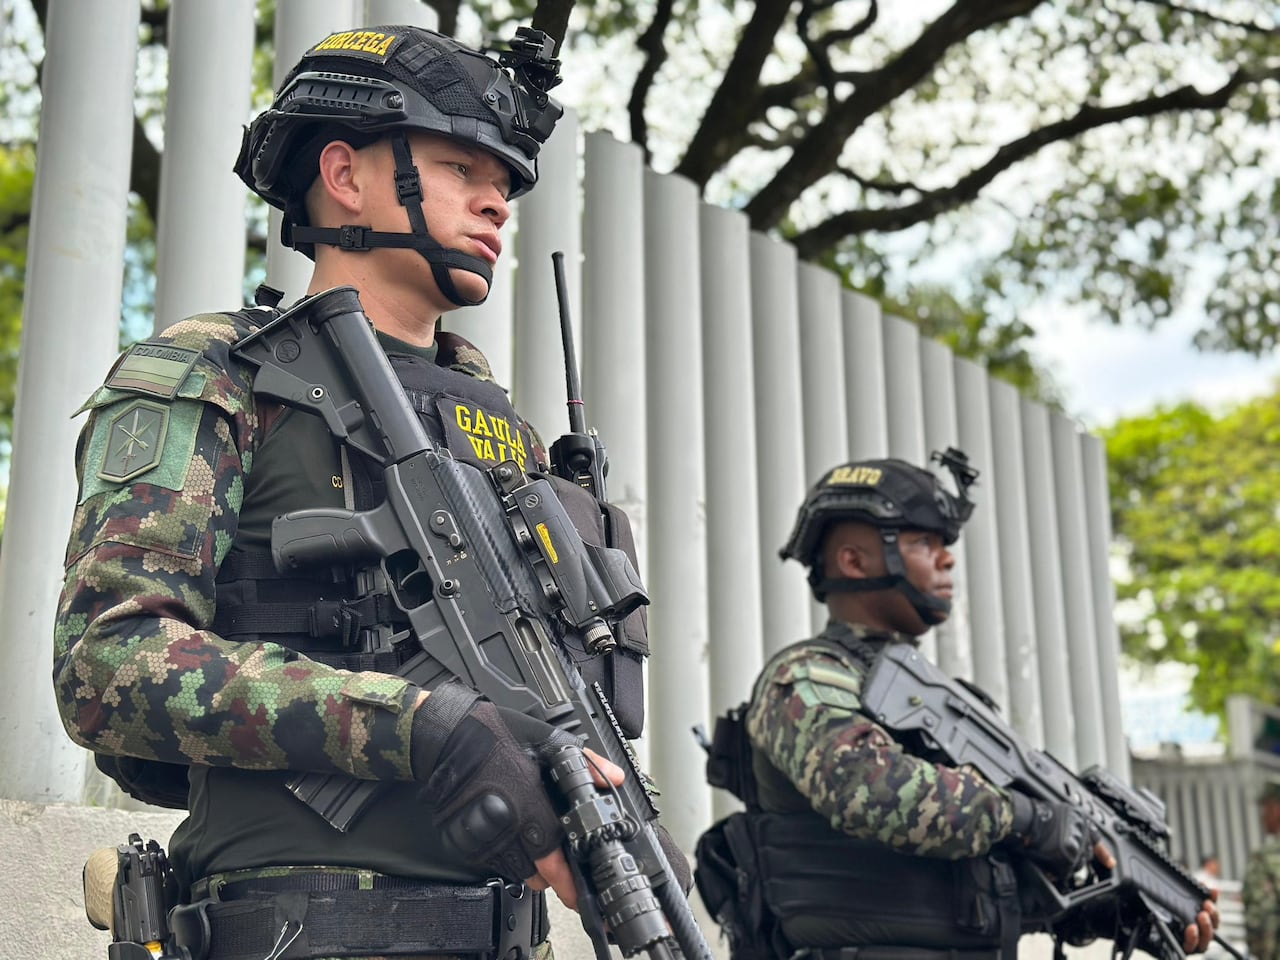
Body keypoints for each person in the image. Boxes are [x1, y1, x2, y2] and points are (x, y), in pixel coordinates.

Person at [53, 23, 678, 960]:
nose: (495, 202)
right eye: (463, 166)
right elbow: (106, 665)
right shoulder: (213, 374)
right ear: (343, 175)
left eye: (504, 183)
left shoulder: (501, 433)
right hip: (291, 930)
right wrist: (424, 731)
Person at [694, 453, 1218, 960]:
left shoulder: (944, 702)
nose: (947, 558)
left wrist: (1098, 912)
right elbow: (867, 790)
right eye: (924, 542)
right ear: (853, 561)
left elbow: (981, 884)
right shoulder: (807, 676)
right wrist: (1027, 817)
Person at [1244, 783, 1280, 958]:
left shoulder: (1265, 859)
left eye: (1266, 808)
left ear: (1276, 809)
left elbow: (1262, 920)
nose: (1262, 816)